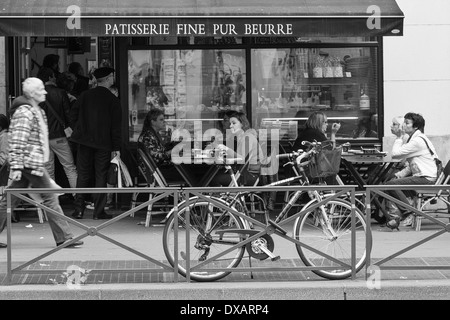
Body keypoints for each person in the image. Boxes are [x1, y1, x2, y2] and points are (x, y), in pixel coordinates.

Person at [0, 77, 83, 249]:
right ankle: (65, 237)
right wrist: (16, 166)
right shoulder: (26, 112)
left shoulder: (34, 110)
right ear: (32, 93)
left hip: (30, 162)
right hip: (30, 163)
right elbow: (18, 140)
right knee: (50, 197)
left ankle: (64, 237)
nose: (45, 92)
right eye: (41, 89)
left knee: (9, 200)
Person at [70, 67, 122, 220]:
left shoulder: (85, 95)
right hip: (103, 144)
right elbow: (115, 127)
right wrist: (116, 147)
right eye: (112, 76)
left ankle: (78, 210)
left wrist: (77, 130)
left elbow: (72, 115)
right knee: (101, 176)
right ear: (107, 78)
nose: (113, 78)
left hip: (84, 142)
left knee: (83, 175)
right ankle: (98, 211)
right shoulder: (113, 100)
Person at [384, 112, 439, 230]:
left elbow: (395, 154)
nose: (403, 125)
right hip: (424, 176)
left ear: (416, 127)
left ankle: (409, 213)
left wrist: (398, 138)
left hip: (426, 179)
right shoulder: (416, 138)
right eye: (404, 122)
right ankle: (400, 216)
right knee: (387, 186)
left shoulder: (417, 141)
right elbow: (410, 163)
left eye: (407, 123)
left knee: (390, 185)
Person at [36, 67, 78, 191]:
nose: (55, 78)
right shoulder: (60, 93)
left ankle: (52, 200)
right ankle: (78, 199)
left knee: (48, 169)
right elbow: (68, 115)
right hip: (59, 136)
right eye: (54, 76)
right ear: (50, 77)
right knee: (69, 167)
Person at [210, 111, 262, 187]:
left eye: (234, 123)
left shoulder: (247, 138)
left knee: (214, 178)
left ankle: (221, 198)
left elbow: (242, 159)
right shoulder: (243, 137)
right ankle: (223, 197)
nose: (230, 126)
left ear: (242, 124)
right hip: (244, 173)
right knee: (214, 176)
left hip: (249, 176)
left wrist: (226, 149)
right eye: (230, 123)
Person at [292, 111, 341, 185]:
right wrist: (333, 133)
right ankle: (334, 194)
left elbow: (327, 147)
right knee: (331, 173)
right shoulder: (314, 133)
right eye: (325, 122)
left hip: (304, 167)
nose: (327, 125)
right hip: (307, 170)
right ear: (319, 123)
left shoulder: (308, 132)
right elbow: (331, 151)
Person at [138, 108, 184, 182]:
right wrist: (174, 150)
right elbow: (158, 157)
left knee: (192, 169)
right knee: (195, 172)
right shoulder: (148, 137)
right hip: (156, 173)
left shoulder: (153, 134)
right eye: (161, 120)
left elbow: (160, 152)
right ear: (153, 122)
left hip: (159, 170)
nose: (164, 122)